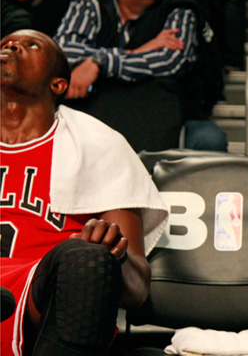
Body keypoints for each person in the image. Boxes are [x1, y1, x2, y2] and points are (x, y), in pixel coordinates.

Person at [0, 29, 168, 355]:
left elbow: (137, 290)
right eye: (4, 44)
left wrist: (113, 256)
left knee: (85, 258)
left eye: (31, 44)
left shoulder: (99, 144)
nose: (11, 46)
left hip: (45, 305)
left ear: (58, 84)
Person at [54, 0, 227, 152]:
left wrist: (99, 62)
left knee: (210, 139)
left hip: (167, 114)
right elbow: (65, 52)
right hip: (98, 111)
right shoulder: (89, 3)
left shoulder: (179, 9)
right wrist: (138, 52)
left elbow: (170, 61)